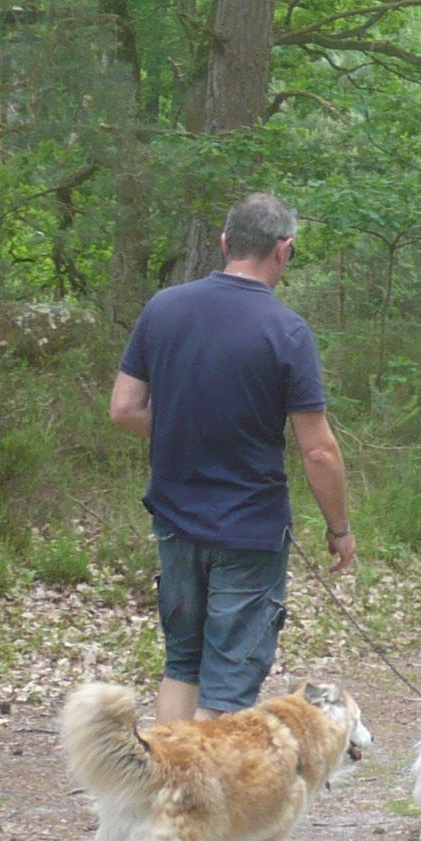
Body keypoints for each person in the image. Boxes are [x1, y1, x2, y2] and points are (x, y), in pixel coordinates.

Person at [111, 193, 356, 722]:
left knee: (183, 663)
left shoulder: (164, 308)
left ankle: (168, 793)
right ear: (284, 250)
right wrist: (339, 528)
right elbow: (317, 448)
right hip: (250, 528)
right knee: (227, 681)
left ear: (225, 244)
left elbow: (124, 408)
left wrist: (183, 431)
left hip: (176, 520)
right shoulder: (287, 331)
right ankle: (203, 802)